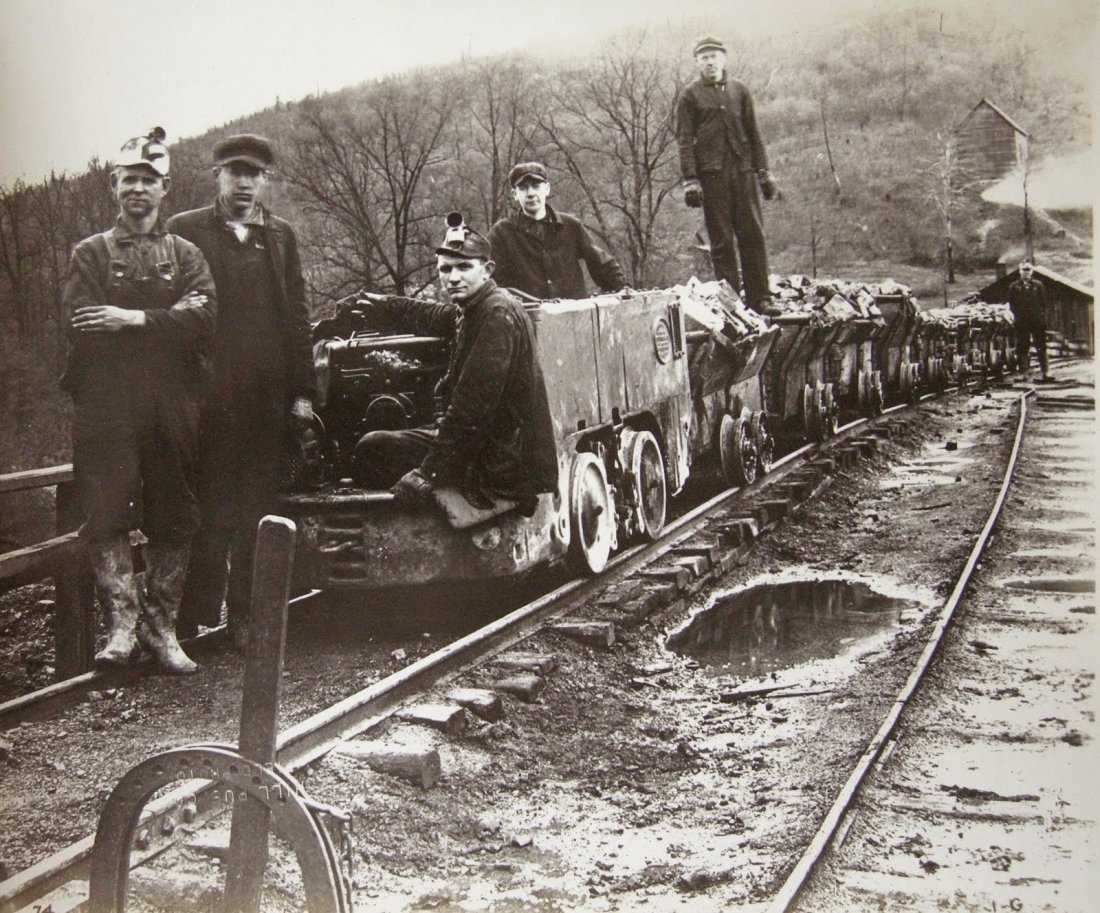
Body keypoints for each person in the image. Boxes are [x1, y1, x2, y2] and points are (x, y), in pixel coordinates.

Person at [60, 127, 217, 674]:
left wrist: (131, 318)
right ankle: (121, 628)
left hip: (172, 405)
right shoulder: (91, 253)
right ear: (113, 185)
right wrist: (169, 322)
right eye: (129, 179)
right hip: (106, 404)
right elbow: (81, 323)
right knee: (106, 512)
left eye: (149, 180)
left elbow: (205, 319)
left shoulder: (187, 255)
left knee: (175, 513)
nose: (138, 189)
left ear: (164, 188)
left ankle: (161, 629)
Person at [167, 135, 315, 648]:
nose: (245, 183)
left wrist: (303, 391)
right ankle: (190, 618)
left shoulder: (280, 235)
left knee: (258, 508)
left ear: (265, 180)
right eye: (235, 173)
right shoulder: (185, 230)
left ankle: (245, 617)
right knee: (206, 508)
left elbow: (298, 315)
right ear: (218, 176)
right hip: (207, 399)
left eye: (254, 174)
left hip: (266, 401)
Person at [354, 214, 557, 512]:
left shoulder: (497, 314)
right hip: (487, 444)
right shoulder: (477, 307)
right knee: (376, 444)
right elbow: (433, 315)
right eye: (445, 269)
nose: (453, 277)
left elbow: (471, 407)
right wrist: (382, 304)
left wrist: (428, 473)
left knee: (371, 451)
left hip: (499, 457)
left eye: (464, 267)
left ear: (487, 270)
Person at [675, 36, 778, 312]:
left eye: (714, 56)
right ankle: (731, 304)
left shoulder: (740, 91)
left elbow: (754, 133)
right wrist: (690, 179)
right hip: (712, 177)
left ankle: (760, 298)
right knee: (722, 242)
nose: (710, 62)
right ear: (697, 62)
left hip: (743, 173)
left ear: (723, 59)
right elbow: (684, 140)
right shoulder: (690, 96)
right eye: (704, 58)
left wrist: (764, 172)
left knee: (753, 235)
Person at [488, 162, 626, 300]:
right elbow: (493, 283)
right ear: (514, 194)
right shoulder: (501, 233)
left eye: (536, 187)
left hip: (574, 310)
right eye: (523, 188)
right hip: (528, 312)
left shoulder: (571, 226)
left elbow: (602, 266)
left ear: (547, 189)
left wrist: (622, 290)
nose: (531, 194)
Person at [1006, 260, 1050, 381]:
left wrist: (1041, 318)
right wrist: (1017, 317)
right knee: (1022, 347)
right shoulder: (1014, 287)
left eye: (1028, 270)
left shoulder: (1038, 286)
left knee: (1041, 346)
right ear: (1019, 271)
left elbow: (1043, 304)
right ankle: (1023, 373)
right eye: (1023, 270)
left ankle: (1046, 372)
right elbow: (1012, 305)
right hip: (1022, 321)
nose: (1026, 272)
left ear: (1032, 271)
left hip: (1037, 321)